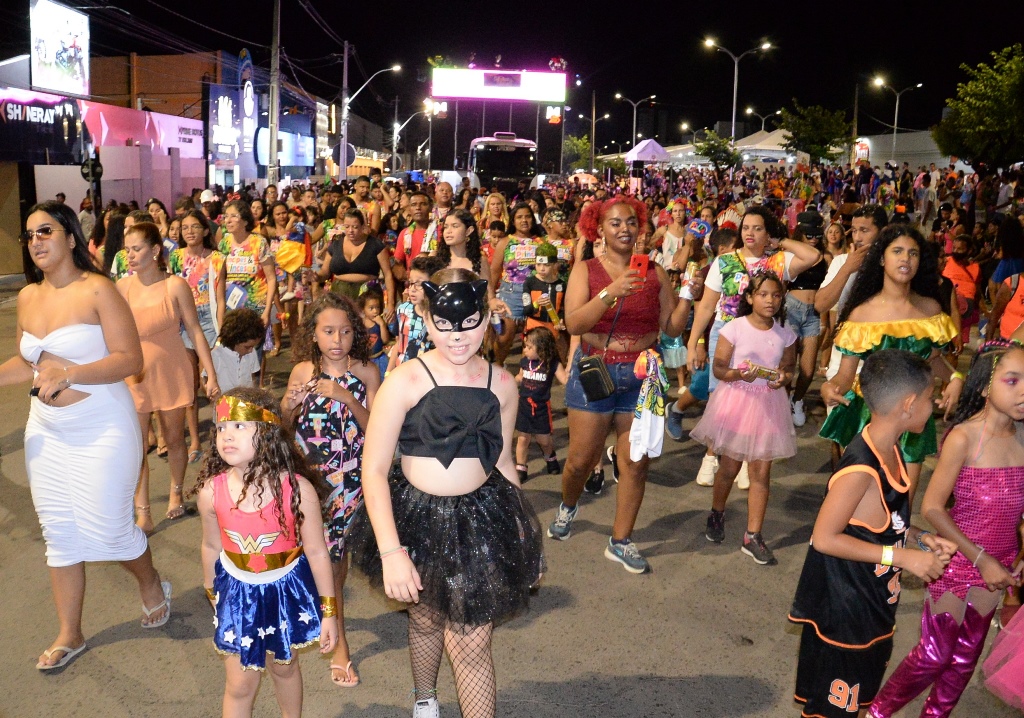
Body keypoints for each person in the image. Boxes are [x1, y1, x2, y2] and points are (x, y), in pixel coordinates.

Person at [347, 269, 544, 718]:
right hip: (415, 518)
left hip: (481, 517)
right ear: (427, 319)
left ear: (486, 315)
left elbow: (502, 462)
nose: (459, 337)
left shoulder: (503, 384)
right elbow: (374, 470)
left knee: (472, 638)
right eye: (446, 325)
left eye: (471, 323)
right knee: (426, 618)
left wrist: (521, 537)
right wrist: (391, 550)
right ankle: (425, 697)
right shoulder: (404, 381)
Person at [3, 201, 171, 670]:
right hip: (47, 430)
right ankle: (69, 633)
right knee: (58, 533)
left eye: (45, 232)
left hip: (103, 426)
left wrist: (71, 373)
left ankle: (150, 581)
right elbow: (27, 362)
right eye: (30, 235)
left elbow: (130, 360)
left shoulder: (99, 290)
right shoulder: (28, 298)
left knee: (111, 530)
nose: (36, 241)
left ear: (71, 238)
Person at [789, 350, 956, 718]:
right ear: (909, 404)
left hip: (873, 608)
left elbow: (884, 524)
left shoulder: (890, 449)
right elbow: (825, 537)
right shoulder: (861, 469)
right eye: (932, 397)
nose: (936, 403)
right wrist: (902, 558)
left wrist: (920, 539)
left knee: (857, 707)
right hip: (846, 616)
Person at [868, 342, 1024, 717]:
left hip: (999, 563)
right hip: (956, 560)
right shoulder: (964, 438)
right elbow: (932, 508)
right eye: (1013, 380)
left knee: (963, 660)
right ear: (987, 385)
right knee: (934, 655)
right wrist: (980, 558)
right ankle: (876, 714)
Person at [547, 196, 695, 574]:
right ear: (599, 229)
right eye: (615, 223)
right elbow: (575, 324)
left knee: (635, 463)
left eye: (631, 221)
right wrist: (612, 291)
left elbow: (672, 328)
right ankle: (568, 505)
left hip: (643, 375)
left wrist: (689, 296)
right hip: (596, 370)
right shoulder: (586, 270)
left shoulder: (656, 273)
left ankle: (621, 540)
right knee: (580, 461)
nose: (625, 229)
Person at [192, 389, 338, 716]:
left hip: (285, 592)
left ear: (269, 433)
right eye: (221, 427)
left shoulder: (297, 490)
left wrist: (329, 612)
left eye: (240, 426)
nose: (226, 435)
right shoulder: (210, 492)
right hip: (236, 593)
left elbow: (316, 551)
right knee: (239, 684)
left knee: (284, 668)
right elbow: (211, 545)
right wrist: (211, 589)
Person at [282, 293, 380, 689]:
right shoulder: (302, 370)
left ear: (355, 333)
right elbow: (284, 429)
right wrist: (290, 403)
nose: (337, 338)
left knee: (335, 565)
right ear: (314, 334)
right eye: (328, 331)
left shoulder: (367, 372)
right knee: (308, 557)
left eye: (345, 330)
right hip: (312, 482)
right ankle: (321, 627)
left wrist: (344, 397)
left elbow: (377, 429)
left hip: (351, 481)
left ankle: (338, 644)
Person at [821, 225, 961, 498]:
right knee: (865, 503)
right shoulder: (861, 314)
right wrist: (830, 388)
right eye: (897, 251)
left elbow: (932, 360)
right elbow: (845, 377)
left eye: (913, 253)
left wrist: (955, 378)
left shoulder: (930, 309)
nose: (905, 259)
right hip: (870, 418)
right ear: (882, 259)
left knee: (902, 506)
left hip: (915, 420)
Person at [686, 206, 821, 487]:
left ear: (768, 233)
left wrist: (780, 242)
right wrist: (694, 341)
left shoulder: (778, 262)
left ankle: (746, 458)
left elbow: (813, 256)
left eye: (758, 228)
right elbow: (708, 306)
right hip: (726, 336)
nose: (750, 233)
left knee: (755, 400)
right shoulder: (723, 262)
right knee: (720, 400)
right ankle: (711, 457)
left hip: (764, 338)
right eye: (746, 227)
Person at [690, 272, 797, 565]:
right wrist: (740, 374)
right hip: (738, 400)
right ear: (750, 297)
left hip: (768, 405)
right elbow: (720, 368)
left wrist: (782, 378)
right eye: (763, 294)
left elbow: (789, 368)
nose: (770, 301)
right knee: (728, 467)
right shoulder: (734, 328)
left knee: (761, 473)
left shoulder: (785, 334)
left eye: (776, 295)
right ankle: (717, 512)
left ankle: (753, 535)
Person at [119, 222, 220, 531]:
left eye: (137, 249)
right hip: (134, 375)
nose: (131, 256)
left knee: (175, 439)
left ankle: (177, 491)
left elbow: (194, 329)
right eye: (127, 250)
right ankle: (143, 510)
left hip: (172, 370)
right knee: (136, 445)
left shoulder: (175, 285)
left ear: (155, 250)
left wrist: (209, 372)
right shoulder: (121, 288)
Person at [169, 210, 225, 463]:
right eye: (184, 228)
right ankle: (194, 439)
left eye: (194, 227)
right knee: (189, 385)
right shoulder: (175, 257)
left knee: (211, 382)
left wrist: (222, 332)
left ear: (205, 230)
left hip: (209, 320)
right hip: (182, 322)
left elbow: (221, 299)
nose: (189, 231)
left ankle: (220, 433)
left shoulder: (217, 259)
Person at [787, 210, 830, 427]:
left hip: (814, 312)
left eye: (816, 235)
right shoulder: (791, 253)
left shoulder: (826, 257)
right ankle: (782, 403)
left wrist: (825, 319)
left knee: (808, 367)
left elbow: (829, 287)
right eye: (809, 234)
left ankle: (797, 399)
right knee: (787, 363)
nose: (813, 238)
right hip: (791, 308)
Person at [514, 326, 568, 484]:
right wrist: (510, 381)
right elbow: (519, 377)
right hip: (524, 405)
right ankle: (521, 467)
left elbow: (564, 379)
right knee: (523, 438)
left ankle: (550, 456)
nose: (525, 350)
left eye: (529, 347)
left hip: (541, 408)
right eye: (525, 346)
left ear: (542, 348)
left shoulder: (553, 364)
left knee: (543, 440)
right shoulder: (525, 362)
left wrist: (572, 376)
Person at [317, 209, 395, 314]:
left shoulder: (375, 245)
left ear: (363, 227)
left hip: (368, 294)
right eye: (347, 227)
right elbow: (324, 272)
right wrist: (315, 276)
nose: (350, 231)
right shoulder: (335, 245)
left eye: (355, 227)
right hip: (339, 293)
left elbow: (388, 274)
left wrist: (391, 303)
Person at [219, 200, 277, 335]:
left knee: (254, 352)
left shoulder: (259, 242)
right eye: (226, 216)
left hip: (255, 307)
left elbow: (272, 278)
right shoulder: (224, 244)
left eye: (233, 216)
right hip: (232, 307)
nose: (228, 220)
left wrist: (267, 311)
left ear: (245, 221)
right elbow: (220, 278)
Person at [387, 255, 443, 372]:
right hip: (402, 372)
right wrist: (388, 372)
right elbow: (399, 342)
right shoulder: (403, 310)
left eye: (419, 284)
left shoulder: (440, 318)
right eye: (410, 283)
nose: (412, 289)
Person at [211, 308, 264, 393]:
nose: (251, 350)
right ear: (234, 340)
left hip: (245, 401)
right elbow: (205, 378)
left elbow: (252, 377)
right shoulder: (216, 355)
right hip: (223, 401)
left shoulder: (251, 353)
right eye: (247, 347)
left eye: (253, 346)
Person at [358, 287, 391, 381]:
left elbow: (385, 340)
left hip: (380, 358)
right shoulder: (360, 324)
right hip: (365, 360)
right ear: (363, 309)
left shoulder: (380, 323)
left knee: (382, 381)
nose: (375, 311)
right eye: (371, 308)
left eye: (377, 307)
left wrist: (382, 325)